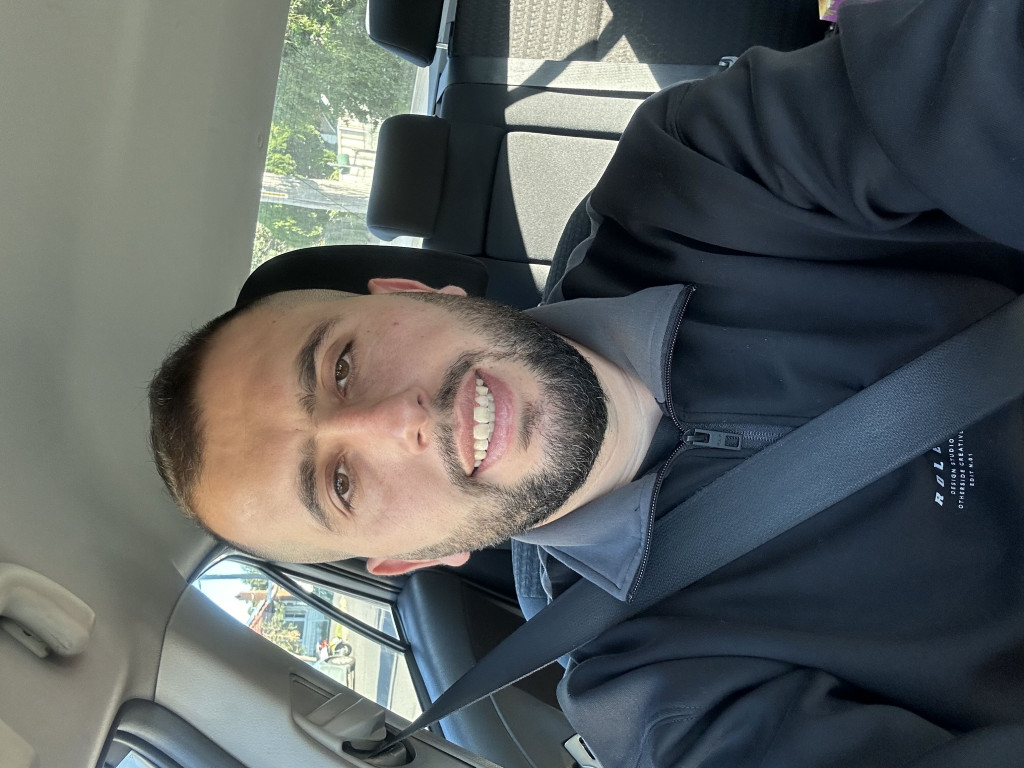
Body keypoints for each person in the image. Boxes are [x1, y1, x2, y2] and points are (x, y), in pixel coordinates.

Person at [148, 0, 1024, 764]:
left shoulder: (704, 178)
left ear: (411, 292)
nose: (391, 423)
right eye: (340, 484)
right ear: (415, 559)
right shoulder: (662, 704)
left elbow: (976, 81)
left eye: (341, 367)